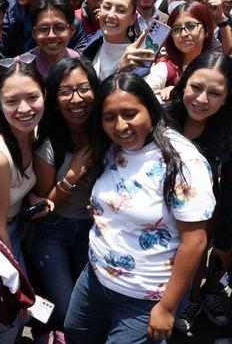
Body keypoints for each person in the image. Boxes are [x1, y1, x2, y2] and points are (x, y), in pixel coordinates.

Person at [64, 72, 215, 344]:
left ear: (151, 109)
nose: (121, 126)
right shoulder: (110, 147)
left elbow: (195, 241)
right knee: (76, 334)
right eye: (110, 117)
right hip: (96, 279)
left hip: (146, 297)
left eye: (130, 113)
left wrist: (167, 307)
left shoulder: (182, 162)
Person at [0, 55, 51, 343]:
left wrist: (32, 195)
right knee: (5, 316)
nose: (24, 109)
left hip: (15, 226)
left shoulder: (32, 131)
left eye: (32, 97)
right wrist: (14, 277)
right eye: (12, 101)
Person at [164, 52, 232, 332]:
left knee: (184, 278)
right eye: (196, 87)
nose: (201, 99)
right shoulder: (159, 117)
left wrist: (224, 241)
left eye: (214, 93)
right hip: (152, 218)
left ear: (227, 97)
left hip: (198, 223)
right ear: (184, 83)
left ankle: (190, 299)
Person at [31, 57, 99, 325]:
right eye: (65, 91)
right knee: (68, 311)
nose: (76, 99)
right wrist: (75, 171)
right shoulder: (49, 144)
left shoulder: (107, 132)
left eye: (83, 88)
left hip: (94, 232)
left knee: (93, 307)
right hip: (54, 231)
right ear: (54, 99)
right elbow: (44, 207)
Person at [145, 1, 217, 97]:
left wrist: (178, 91)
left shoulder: (217, 67)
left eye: (191, 26)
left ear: (207, 30)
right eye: (177, 29)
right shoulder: (164, 68)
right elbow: (141, 98)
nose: (184, 34)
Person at [82, 0, 138, 79]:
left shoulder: (137, 60)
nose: (111, 15)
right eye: (107, 7)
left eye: (120, 10)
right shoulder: (92, 45)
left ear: (132, 18)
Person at [28, 0, 81, 78]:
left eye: (60, 28)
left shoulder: (80, 64)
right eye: (44, 29)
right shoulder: (20, 69)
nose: (51, 36)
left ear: (72, 29)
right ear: (34, 32)